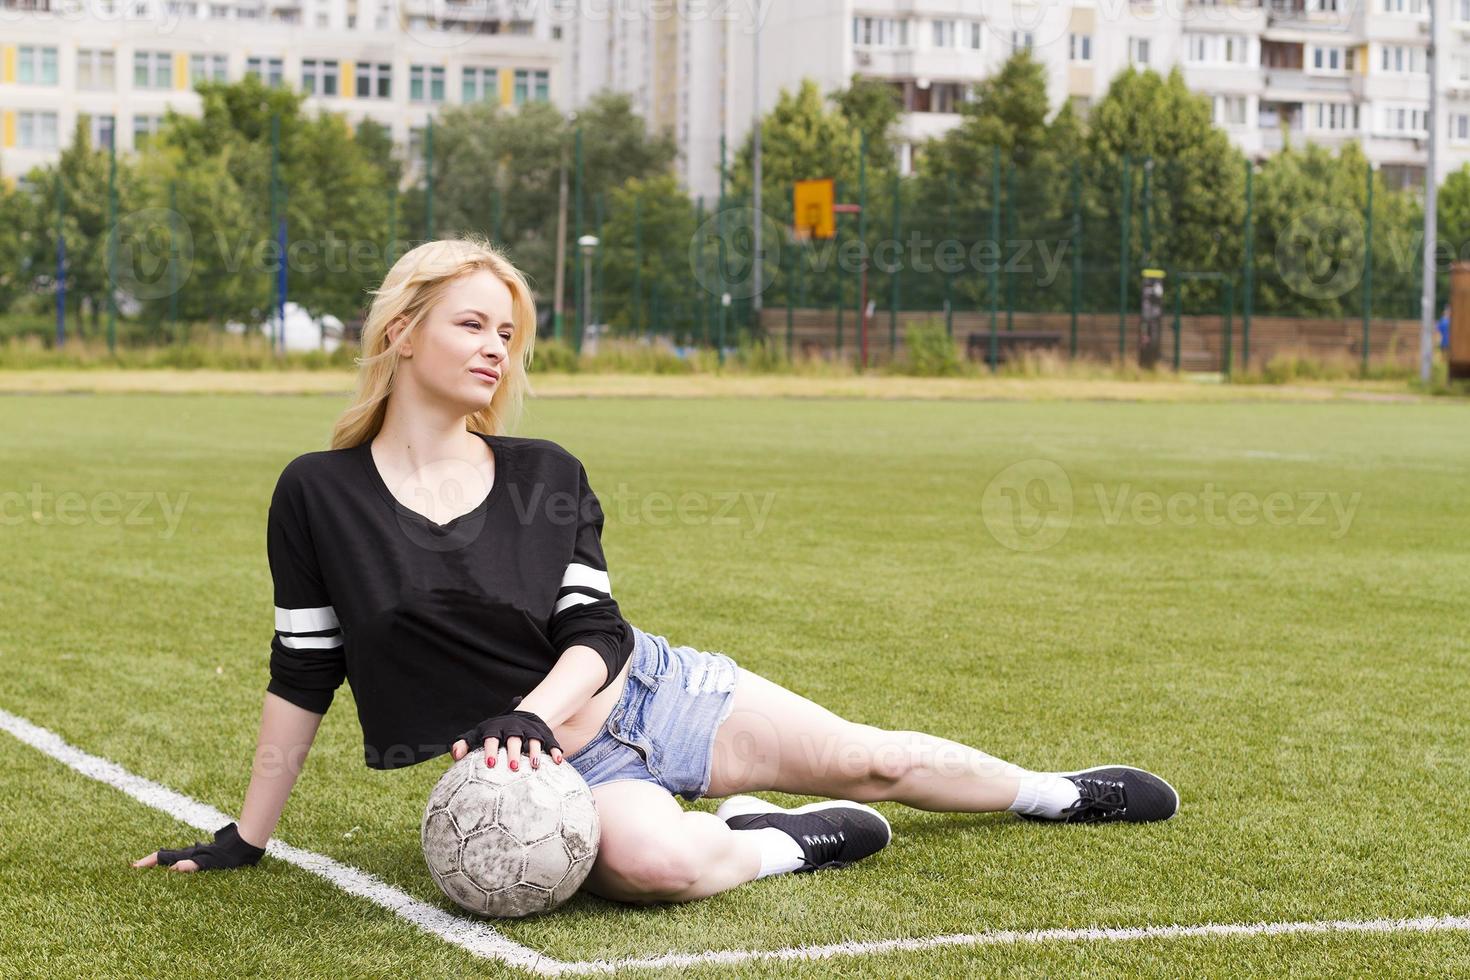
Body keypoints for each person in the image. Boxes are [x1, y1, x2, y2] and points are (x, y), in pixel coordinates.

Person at [131, 237, 1178, 904]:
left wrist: (532, 709)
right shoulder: (319, 492)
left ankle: (1056, 793)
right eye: (471, 324)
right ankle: (782, 840)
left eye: (509, 331)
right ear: (402, 332)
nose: (497, 347)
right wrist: (245, 835)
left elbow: (599, 633)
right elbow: (303, 668)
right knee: (656, 866)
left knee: (878, 759)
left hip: (652, 694)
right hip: (558, 775)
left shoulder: (543, 471)